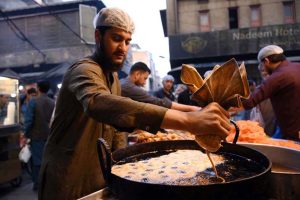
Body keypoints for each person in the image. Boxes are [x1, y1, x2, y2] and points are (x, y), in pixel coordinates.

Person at [38, 7, 231, 200]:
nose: (123, 47)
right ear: (98, 36)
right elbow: (98, 103)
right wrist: (189, 120)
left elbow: (114, 130)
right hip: (68, 177)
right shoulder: (83, 70)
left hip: (100, 175)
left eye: (127, 41)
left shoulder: (112, 77)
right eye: (116, 38)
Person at [242, 45, 300, 141]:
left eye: (261, 64)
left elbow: (251, 101)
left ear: (266, 61)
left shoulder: (277, 76)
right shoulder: (297, 66)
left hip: (293, 133)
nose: (262, 68)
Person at [120, 62, 200, 111]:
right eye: (145, 78)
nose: (145, 82)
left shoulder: (124, 82)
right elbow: (157, 102)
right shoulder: (129, 86)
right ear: (137, 74)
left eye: (171, 82)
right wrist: (191, 108)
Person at [24, 81, 55, 191]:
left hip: (36, 136)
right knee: (49, 159)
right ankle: (48, 183)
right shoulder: (53, 102)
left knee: (37, 161)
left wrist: (26, 134)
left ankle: (38, 183)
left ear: (38, 88)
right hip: (50, 136)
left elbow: (28, 120)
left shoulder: (33, 102)